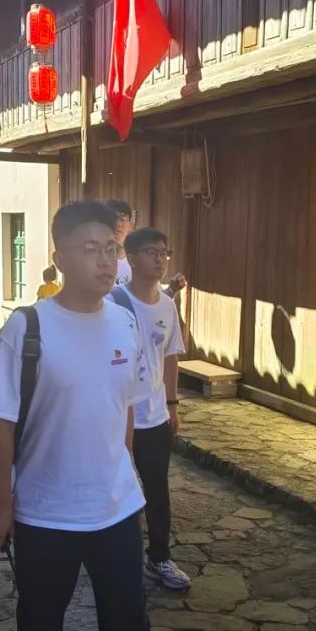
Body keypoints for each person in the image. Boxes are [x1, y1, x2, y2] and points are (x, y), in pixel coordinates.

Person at [0, 201, 164, 631]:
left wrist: (122, 470)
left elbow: (124, 407)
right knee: (41, 619)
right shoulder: (29, 326)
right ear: (59, 257)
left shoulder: (124, 321)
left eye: (111, 249)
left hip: (115, 509)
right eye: (90, 249)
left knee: (128, 628)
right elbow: (0, 420)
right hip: (45, 510)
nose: (106, 261)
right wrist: (0, 503)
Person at [112, 228, 190, 591]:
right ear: (130, 258)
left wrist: (172, 405)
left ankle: (159, 558)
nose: (160, 259)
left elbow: (171, 356)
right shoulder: (113, 303)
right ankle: (117, 559)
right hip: (117, 417)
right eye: (151, 252)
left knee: (157, 491)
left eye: (164, 253)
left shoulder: (167, 306)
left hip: (155, 416)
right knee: (117, 490)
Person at [106, 199, 187, 296]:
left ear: (130, 225)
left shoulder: (140, 261)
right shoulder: (94, 260)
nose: (118, 224)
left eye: (122, 219)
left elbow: (154, 299)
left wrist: (171, 290)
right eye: (112, 218)